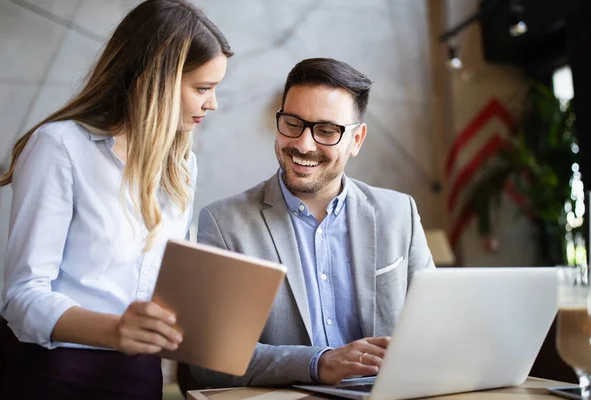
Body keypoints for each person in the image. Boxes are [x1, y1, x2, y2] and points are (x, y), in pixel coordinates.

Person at [0, 1, 232, 398]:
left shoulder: (181, 166)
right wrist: (117, 330)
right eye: (202, 89)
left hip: (140, 378)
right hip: (58, 375)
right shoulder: (60, 147)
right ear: (156, 80)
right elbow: (23, 296)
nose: (213, 104)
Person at [186, 58, 435, 388]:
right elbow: (211, 361)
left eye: (327, 131)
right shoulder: (225, 224)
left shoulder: (398, 213)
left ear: (356, 140)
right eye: (292, 123)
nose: (303, 144)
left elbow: (436, 330)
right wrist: (318, 363)